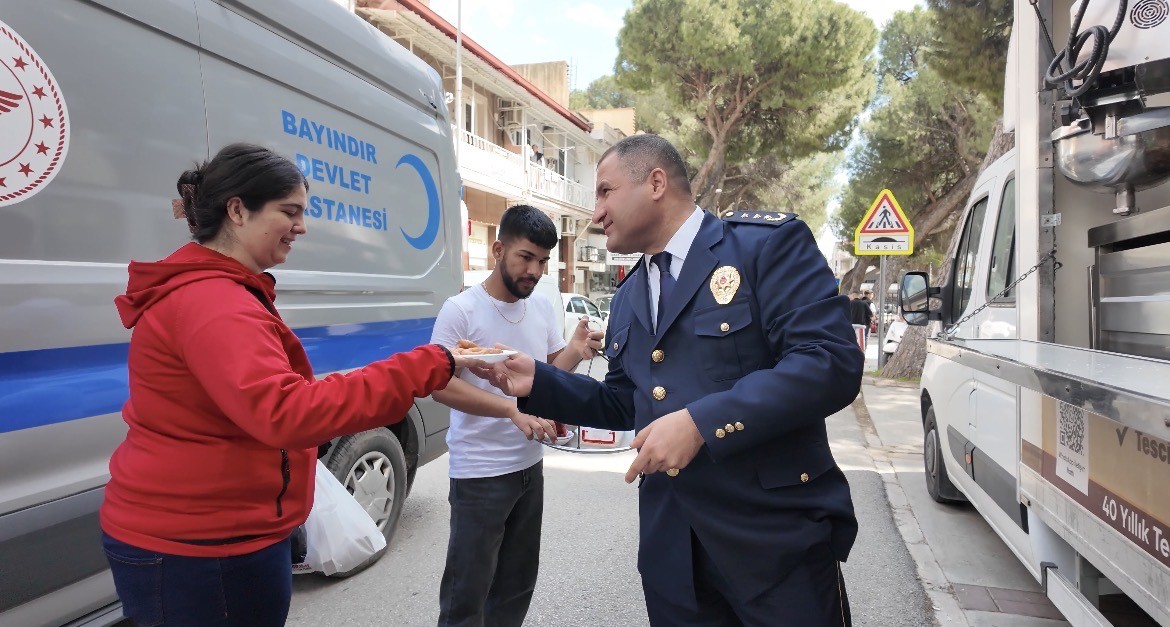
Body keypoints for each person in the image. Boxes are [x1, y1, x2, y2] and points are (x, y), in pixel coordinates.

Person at [473, 134, 863, 626]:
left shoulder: (763, 247)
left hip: (772, 543)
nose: (596, 213)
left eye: (605, 191)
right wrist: (541, 383)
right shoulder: (630, 294)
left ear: (655, 183)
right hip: (673, 556)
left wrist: (703, 422)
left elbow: (829, 361)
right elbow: (624, 402)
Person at [100, 143, 482, 627]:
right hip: (200, 548)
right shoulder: (213, 301)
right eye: (290, 211)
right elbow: (285, 412)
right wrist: (423, 366)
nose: (302, 226)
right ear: (237, 210)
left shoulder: (219, 289)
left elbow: (256, 400)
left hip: (209, 535)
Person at [430, 204, 604, 627]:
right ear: (497, 249)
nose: (535, 270)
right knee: (467, 593)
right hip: (479, 473)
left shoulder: (542, 307)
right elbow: (437, 385)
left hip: (529, 467)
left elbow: (545, 380)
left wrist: (576, 352)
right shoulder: (461, 310)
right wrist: (509, 410)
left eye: (543, 261)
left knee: (517, 586)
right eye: (525, 257)